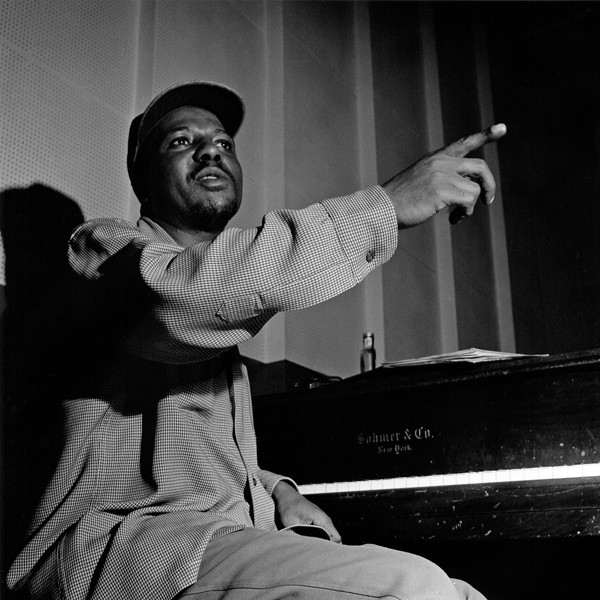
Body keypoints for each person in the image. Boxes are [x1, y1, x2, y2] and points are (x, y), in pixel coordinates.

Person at [7, 81, 506, 600]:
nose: (210, 151)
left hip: (207, 539)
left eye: (223, 143)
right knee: (414, 586)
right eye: (181, 141)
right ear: (144, 182)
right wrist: (386, 206)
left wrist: (277, 490)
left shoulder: (216, 311)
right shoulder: (100, 252)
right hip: (117, 553)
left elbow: (197, 461)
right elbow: (181, 293)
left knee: (461, 592)